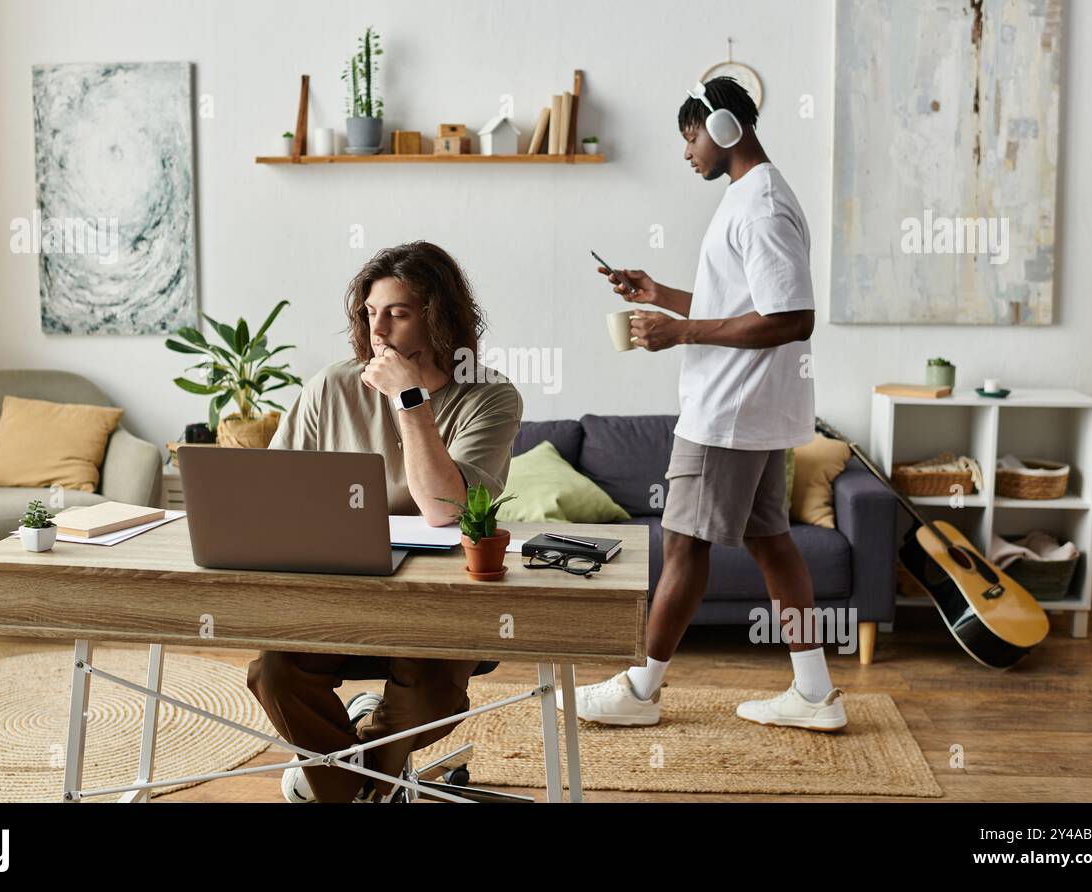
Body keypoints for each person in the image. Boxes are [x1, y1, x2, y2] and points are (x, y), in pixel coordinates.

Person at [573, 76, 846, 732]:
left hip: (728, 412)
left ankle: (642, 688)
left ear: (725, 129)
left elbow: (793, 319)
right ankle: (814, 693)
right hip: (746, 410)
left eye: (692, 136)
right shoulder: (748, 197)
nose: (687, 151)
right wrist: (662, 294)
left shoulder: (762, 205)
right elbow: (743, 308)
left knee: (684, 546)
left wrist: (681, 333)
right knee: (774, 545)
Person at [246, 240, 522, 802]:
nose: (379, 330)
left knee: (429, 696)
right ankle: (371, 787)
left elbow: (445, 511)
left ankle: (354, 772)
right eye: (371, 313)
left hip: (439, 604)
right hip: (340, 592)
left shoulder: (489, 397)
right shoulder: (332, 386)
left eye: (398, 313)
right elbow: (268, 489)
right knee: (273, 673)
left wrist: (409, 399)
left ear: (439, 317)